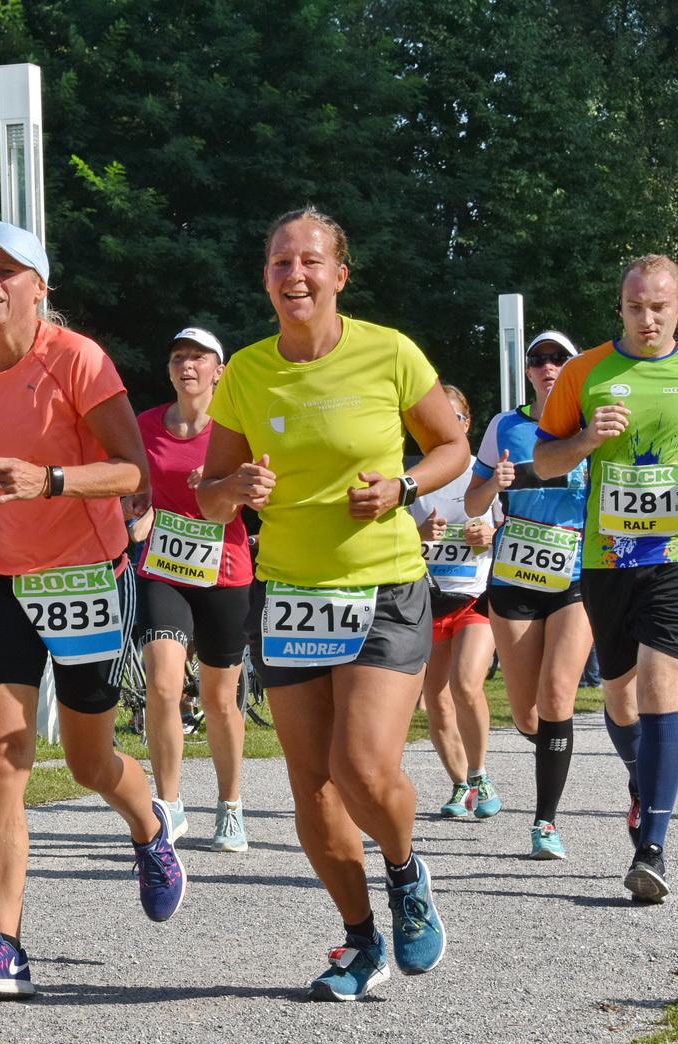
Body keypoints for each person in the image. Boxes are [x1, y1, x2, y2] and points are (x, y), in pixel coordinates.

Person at [198, 206, 470, 1001]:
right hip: (287, 593)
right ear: (266, 278)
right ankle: (358, 940)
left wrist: (406, 484)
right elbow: (209, 496)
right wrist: (234, 488)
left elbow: (452, 444)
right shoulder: (246, 372)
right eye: (280, 263)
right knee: (310, 784)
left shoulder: (388, 352)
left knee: (361, 765)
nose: (295, 275)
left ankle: (405, 868)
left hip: (383, 583)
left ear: (339, 274)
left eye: (311, 261)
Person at [0, 221, 184, 1000]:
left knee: (85, 760)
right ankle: (5, 945)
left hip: (82, 573)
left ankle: (150, 827)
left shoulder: (77, 360)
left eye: (8, 272)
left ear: (41, 288)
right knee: (4, 751)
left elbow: (130, 473)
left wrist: (51, 481)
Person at [533, 253, 678, 904]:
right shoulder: (583, 373)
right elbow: (545, 461)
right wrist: (583, 441)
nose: (647, 318)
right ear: (621, 306)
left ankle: (652, 847)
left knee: (664, 681)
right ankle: (645, 781)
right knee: (619, 698)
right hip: (608, 558)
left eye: (659, 306)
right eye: (635, 307)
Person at [466, 330, 593, 859]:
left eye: (558, 358)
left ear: (572, 367)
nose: (547, 366)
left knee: (558, 695)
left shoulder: (592, 425)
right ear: (528, 371)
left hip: (576, 577)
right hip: (515, 579)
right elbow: (474, 504)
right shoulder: (505, 425)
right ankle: (553, 749)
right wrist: (494, 484)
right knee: (527, 714)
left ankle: (545, 822)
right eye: (538, 359)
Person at [127, 326, 252, 851]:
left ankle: (230, 807)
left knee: (221, 699)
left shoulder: (238, 427)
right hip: (164, 568)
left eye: (200, 358)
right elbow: (133, 487)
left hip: (225, 571)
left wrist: (225, 488)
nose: (188, 365)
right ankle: (170, 805)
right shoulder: (147, 424)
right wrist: (135, 510)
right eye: (179, 356)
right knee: (163, 684)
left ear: (219, 370)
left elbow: (265, 493)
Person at [411, 386, 501, 825]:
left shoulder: (484, 474)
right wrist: (420, 536)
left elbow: (514, 529)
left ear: (467, 425)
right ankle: (460, 783)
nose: (446, 423)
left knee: (466, 685)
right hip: (428, 600)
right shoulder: (415, 476)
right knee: (436, 700)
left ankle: (480, 774)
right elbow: (390, 540)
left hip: (476, 598)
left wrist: (492, 537)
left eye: (455, 417)